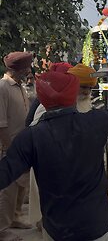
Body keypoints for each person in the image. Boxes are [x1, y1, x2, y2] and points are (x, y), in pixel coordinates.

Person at [0, 68, 108, 241]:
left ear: (42, 98)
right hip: (97, 225)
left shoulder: (31, 136)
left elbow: (6, 172)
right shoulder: (96, 122)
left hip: (57, 229)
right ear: (73, 93)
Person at [27, 62, 98, 233]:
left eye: (89, 88)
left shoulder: (88, 104)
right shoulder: (48, 106)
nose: (87, 92)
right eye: (83, 87)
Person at [0, 52, 33, 241]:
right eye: (26, 68)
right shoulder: (3, 87)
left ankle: (15, 218)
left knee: (21, 185)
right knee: (7, 190)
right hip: (8, 147)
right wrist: (9, 149)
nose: (29, 71)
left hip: (21, 146)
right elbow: (1, 124)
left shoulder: (19, 86)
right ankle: (2, 229)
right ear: (16, 69)